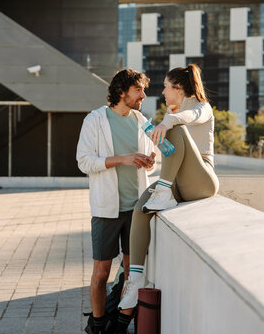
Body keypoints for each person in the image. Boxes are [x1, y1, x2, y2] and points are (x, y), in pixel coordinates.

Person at [117, 64, 219, 318]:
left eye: (165, 87)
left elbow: (189, 119)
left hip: (202, 180)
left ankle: (164, 192)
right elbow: (173, 151)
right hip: (179, 181)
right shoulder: (173, 112)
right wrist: (155, 152)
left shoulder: (201, 107)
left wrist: (170, 121)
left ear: (179, 88)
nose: (162, 92)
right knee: (141, 209)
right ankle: (135, 280)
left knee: (176, 127)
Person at [77, 68, 156, 334]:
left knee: (131, 276)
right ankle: (98, 326)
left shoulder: (141, 120)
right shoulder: (95, 120)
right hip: (106, 210)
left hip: (136, 210)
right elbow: (84, 161)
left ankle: (119, 327)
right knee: (101, 275)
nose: (143, 95)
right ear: (122, 92)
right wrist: (123, 158)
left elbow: (150, 162)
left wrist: (150, 161)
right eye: (138, 91)